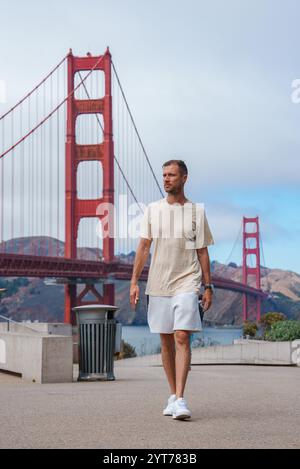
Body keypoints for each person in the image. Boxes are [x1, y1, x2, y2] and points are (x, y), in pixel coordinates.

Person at [129, 159, 214, 420]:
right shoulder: (153, 210)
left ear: (184, 178)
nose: (166, 179)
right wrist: (134, 281)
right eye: (164, 175)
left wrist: (208, 286)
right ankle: (172, 395)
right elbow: (144, 248)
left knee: (180, 336)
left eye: (172, 175)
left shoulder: (196, 212)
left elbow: (202, 251)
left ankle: (180, 398)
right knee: (165, 339)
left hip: (187, 281)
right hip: (158, 282)